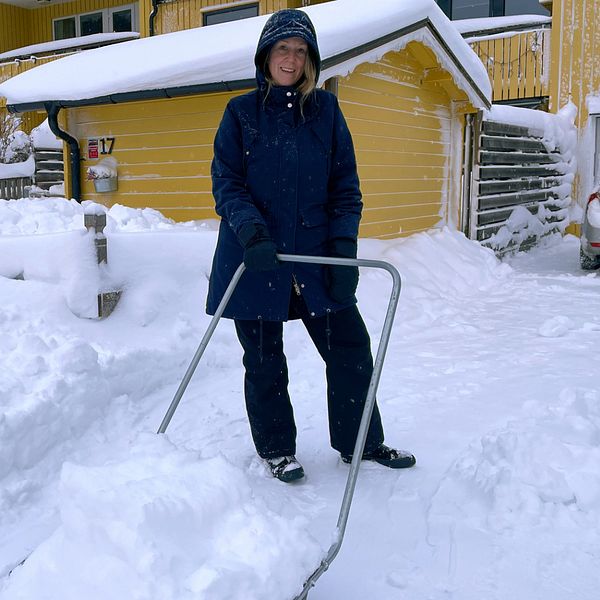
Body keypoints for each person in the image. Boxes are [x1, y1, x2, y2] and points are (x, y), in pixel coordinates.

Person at [207, 9, 416, 482]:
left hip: (317, 261)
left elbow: (346, 188)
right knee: (264, 361)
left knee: (350, 348)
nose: (292, 58)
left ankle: (360, 441)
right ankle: (277, 449)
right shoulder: (240, 113)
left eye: (301, 51)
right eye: (284, 49)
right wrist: (251, 232)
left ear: (311, 60)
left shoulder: (325, 112)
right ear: (266, 55)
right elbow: (227, 183)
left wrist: (343, 250)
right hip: (256, 258)